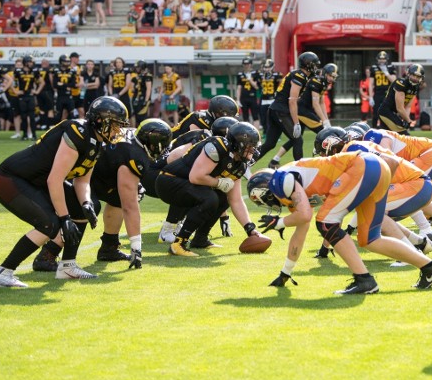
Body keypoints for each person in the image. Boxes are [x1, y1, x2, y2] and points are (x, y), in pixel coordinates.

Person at [247, 152, 432, 294]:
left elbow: (306, 215)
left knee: (326, 222)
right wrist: (285, 273)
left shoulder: (281, 179)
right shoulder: (289, 187)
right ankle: (430, 267)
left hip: (361, 168)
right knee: (370, 239)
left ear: (264, 192)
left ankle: (364, 280)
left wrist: (279, 223)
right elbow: (300, 231)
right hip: (375, 169)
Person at [0, 97, 129, 288]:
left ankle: (67, 266)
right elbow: (54, 179)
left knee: (85, 207)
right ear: (100, 121)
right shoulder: (77, 132)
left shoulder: (96, 142)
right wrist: (64, 218)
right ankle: (3, 272)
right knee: (50, 225)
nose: (118, 130)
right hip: (13, 179)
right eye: (114, 125)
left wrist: (86, 202)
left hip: (38, 181)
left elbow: (82, 180)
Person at [34, 118, 173, 272]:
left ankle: (109, 247)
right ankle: (48, 254)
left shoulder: (134, 138)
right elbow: (130, 207)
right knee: (87, 209)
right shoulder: (135, 155)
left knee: (120, 198)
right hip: (83, 178)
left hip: (100, 174)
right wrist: (136, 247)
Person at [156, 122, 264, 257]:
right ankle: (178, 243)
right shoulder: (217, 147)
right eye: (250, 147)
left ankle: (200, 239)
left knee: (224, 200)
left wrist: (250, 228)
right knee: (210, 198)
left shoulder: (239, 164)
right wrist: (218, 182)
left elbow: (235, 200)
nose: (253, 151)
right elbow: (196, 177)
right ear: (238, 144)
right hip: (168, 181)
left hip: (185, 183)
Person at [255, 52, 321, 168]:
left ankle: (245, 166)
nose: (316, 67)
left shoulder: (301, 75)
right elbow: (292, 100)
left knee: (270, 143)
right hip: (280, 110)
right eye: (314, 64)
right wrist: (296, 123)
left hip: (275, 109)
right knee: (297, 140)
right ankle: (300, 169)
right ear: (308, 64)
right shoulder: (299, 76)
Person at [378, 64, 424, 134]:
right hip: (386, 112)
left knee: (388, 137)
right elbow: (399, 108)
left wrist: (406, 119)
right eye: (413, 75)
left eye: (418, 77)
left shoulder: (415, 87)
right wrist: (408, 121)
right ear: (408, 74)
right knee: (405, 137)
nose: (415, 78)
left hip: (393, 113)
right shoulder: (401, 83)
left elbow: (408, 107)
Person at [368, 51, 397, 128]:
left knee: (387, 113)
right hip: (377, 93)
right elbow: (371, 84)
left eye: (383, 59)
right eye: (380, 59)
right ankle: (374, 129)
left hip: (387, 93)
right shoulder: (374, 68)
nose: (382, 60)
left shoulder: (390, 67)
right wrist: (370, 97)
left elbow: (394, 81)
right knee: (375, 113)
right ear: (377, 59)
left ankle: (387, 130)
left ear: (386, 59)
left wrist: (386, 73)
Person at [256, 58, 282, 135]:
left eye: (268, 67)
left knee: (275, 117)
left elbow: (281, 86)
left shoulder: (277, 75)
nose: (267, 69)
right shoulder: (261, 75)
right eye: (265, 67)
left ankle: (277, 134)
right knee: (263, 118)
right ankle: (265, 133)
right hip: (264, 99)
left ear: (272, 67)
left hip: (273, 99)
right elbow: (257, 86)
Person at [236, 58, 260, 128]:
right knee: (245, 117)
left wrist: (250, 79)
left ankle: (256, 133)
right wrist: (238, 99)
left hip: (252, 97)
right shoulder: (240, 74)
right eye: (245, 64)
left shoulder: (255, 73)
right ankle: (247, 132)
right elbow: (239, 88)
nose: (246, 66)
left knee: (255, 116)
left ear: (251, 65)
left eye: (248, 64)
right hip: (243, 98)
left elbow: (257, 87)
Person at [131, 61, 154, 125]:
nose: (137, 69)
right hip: (136, 98)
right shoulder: (136, 76)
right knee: (136, 116)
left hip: (143, 98)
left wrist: (146, 100)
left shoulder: (147, 76)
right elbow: (132, 88)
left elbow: (148, 89)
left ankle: (144, 132)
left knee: (142, 117)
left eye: (138, 67)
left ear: (142, 67)